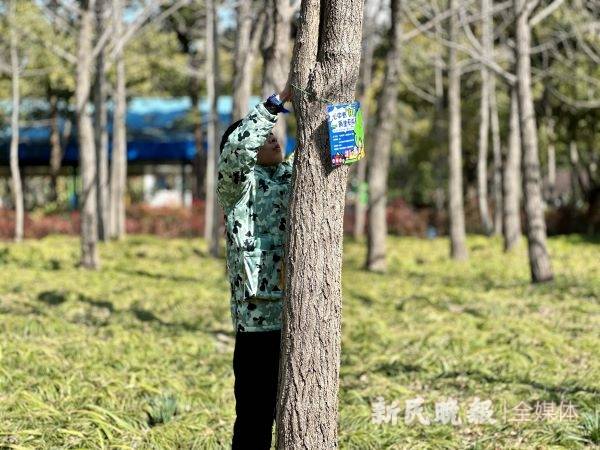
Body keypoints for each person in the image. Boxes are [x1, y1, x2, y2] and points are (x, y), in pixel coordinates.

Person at [216, 84, 293, 449]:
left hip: (302, 318)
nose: (274, 138)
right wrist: (273, 105)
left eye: (275, 134)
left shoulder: (294, 176)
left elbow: (341, 158)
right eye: (264, 136)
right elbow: (237, 149)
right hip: (258, 327)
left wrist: (342, 114)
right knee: (255, 422)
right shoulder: (237, 187)